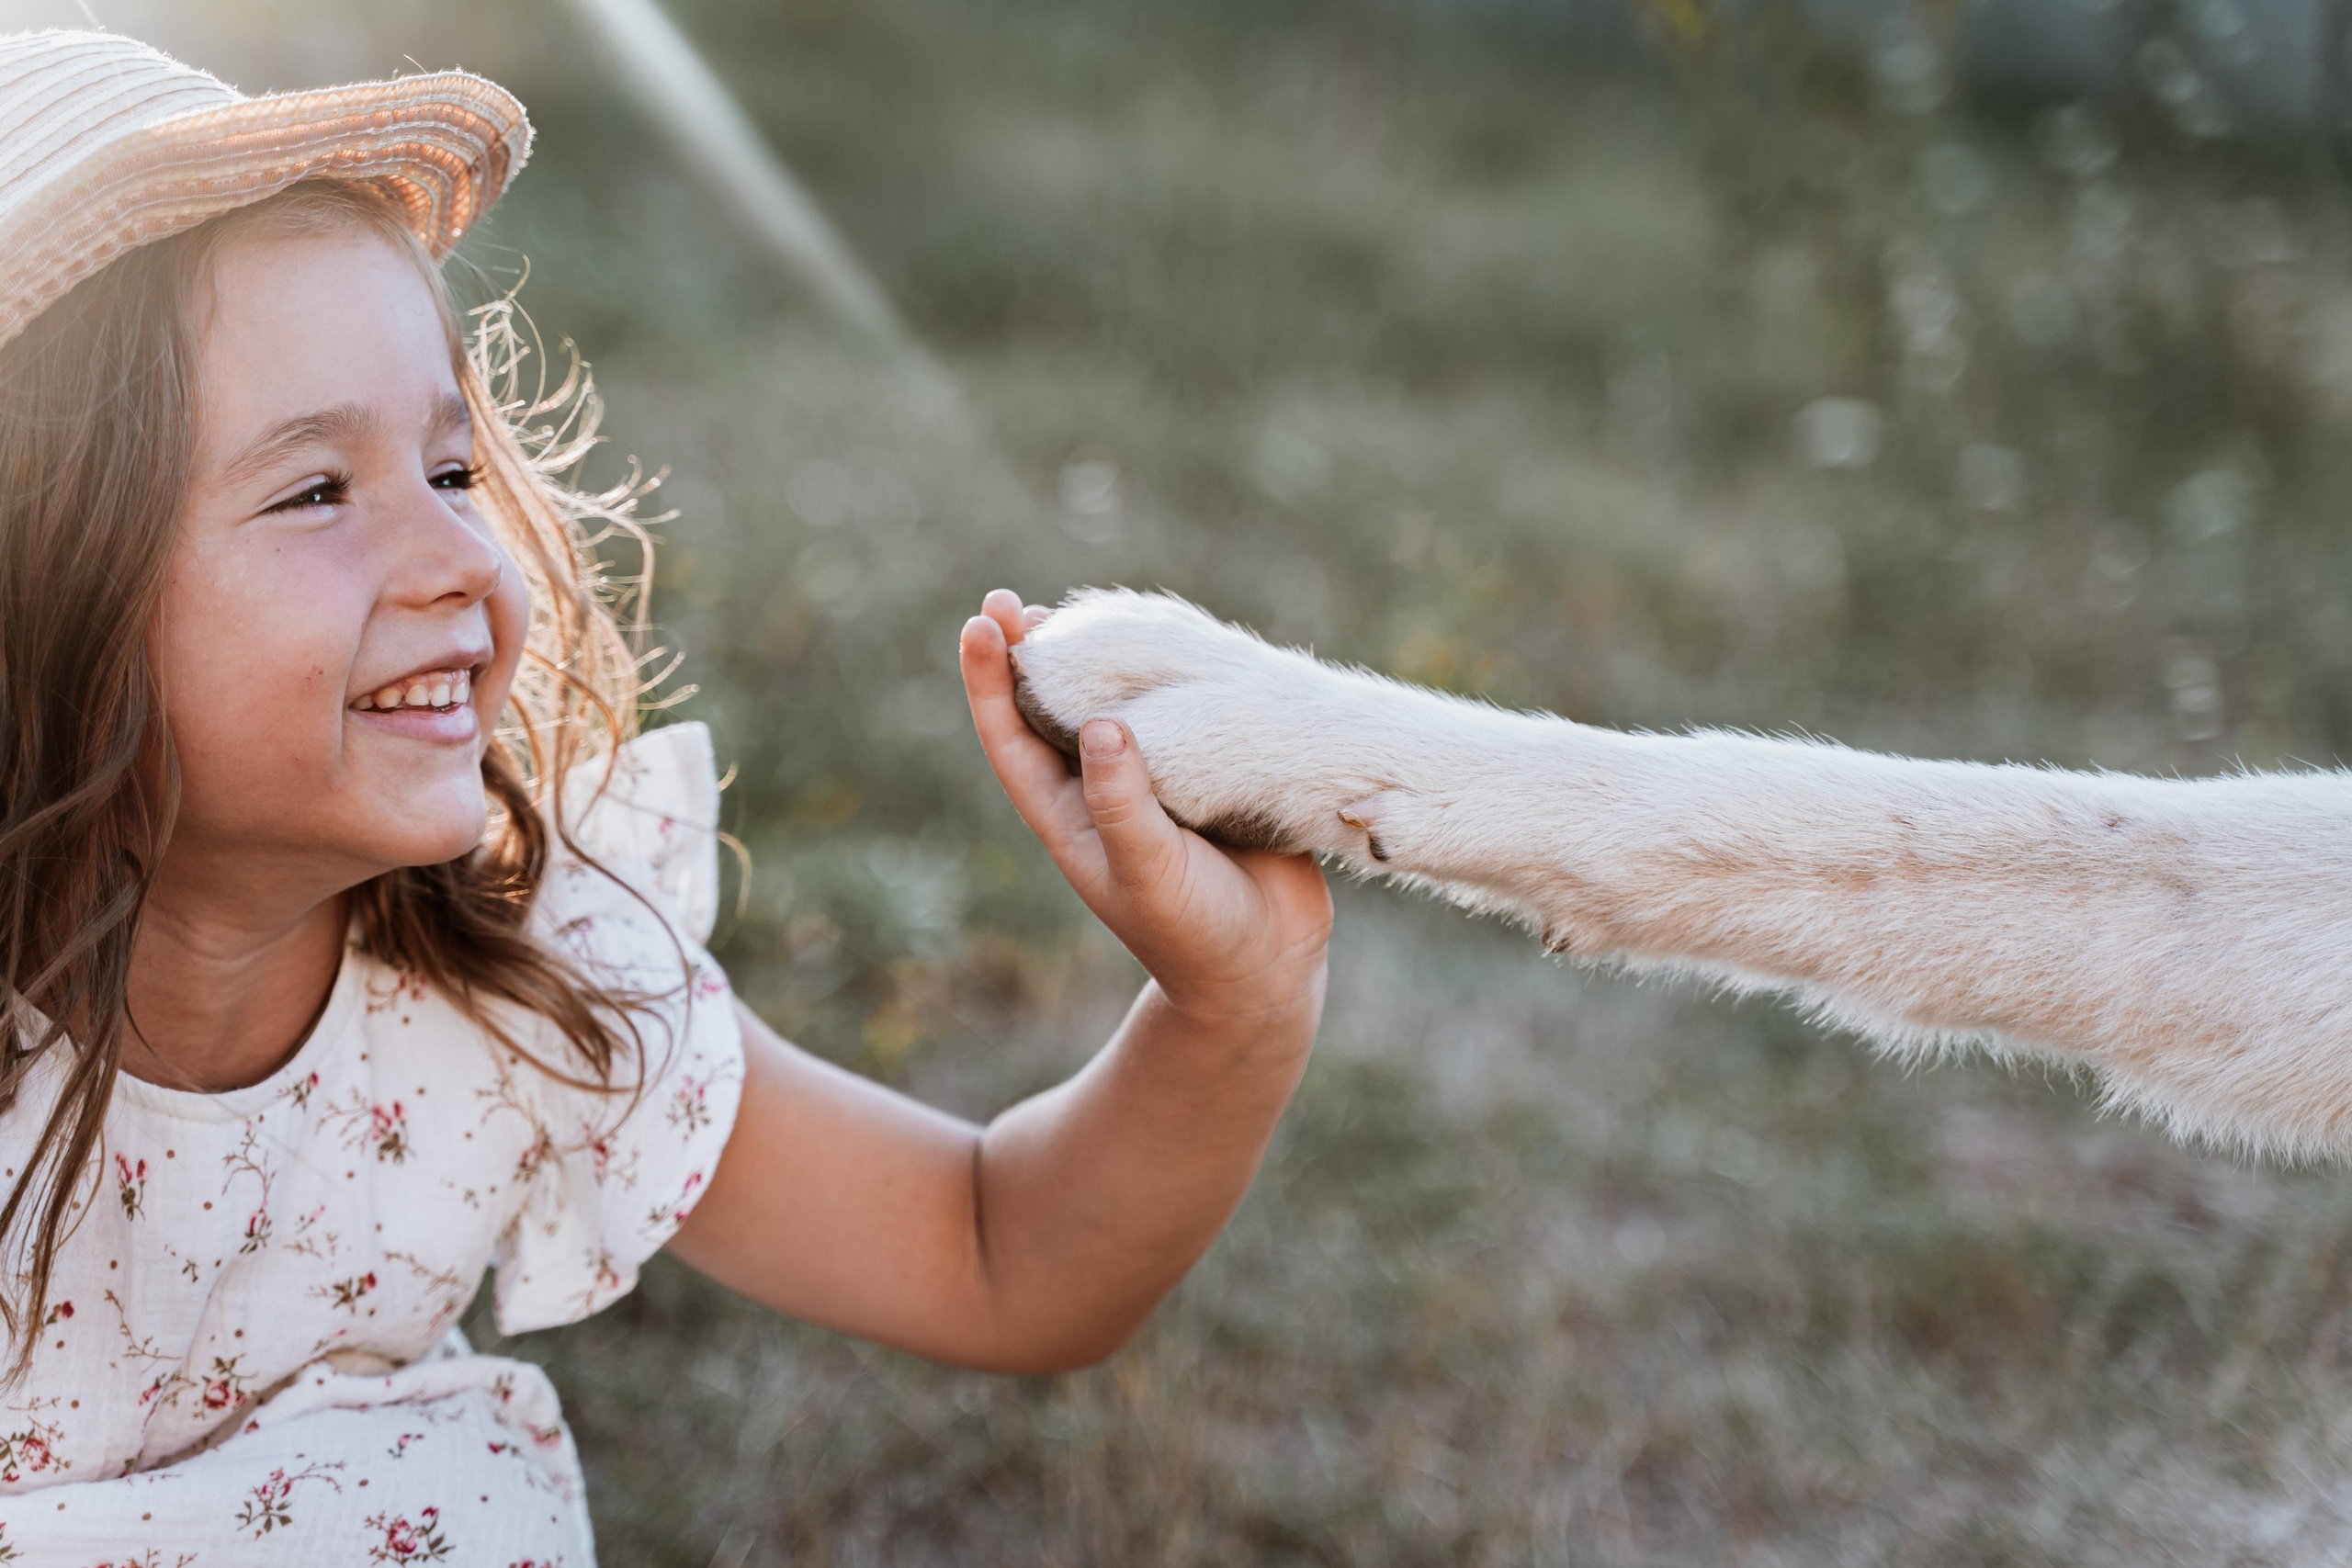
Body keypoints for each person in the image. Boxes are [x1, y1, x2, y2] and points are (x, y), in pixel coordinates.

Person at [0, 30, 1330, 1563]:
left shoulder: (517, 974)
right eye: (315, 492)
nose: (460, 563)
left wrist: (1232, 1010)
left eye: (449, 469)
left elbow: (995, 1255)